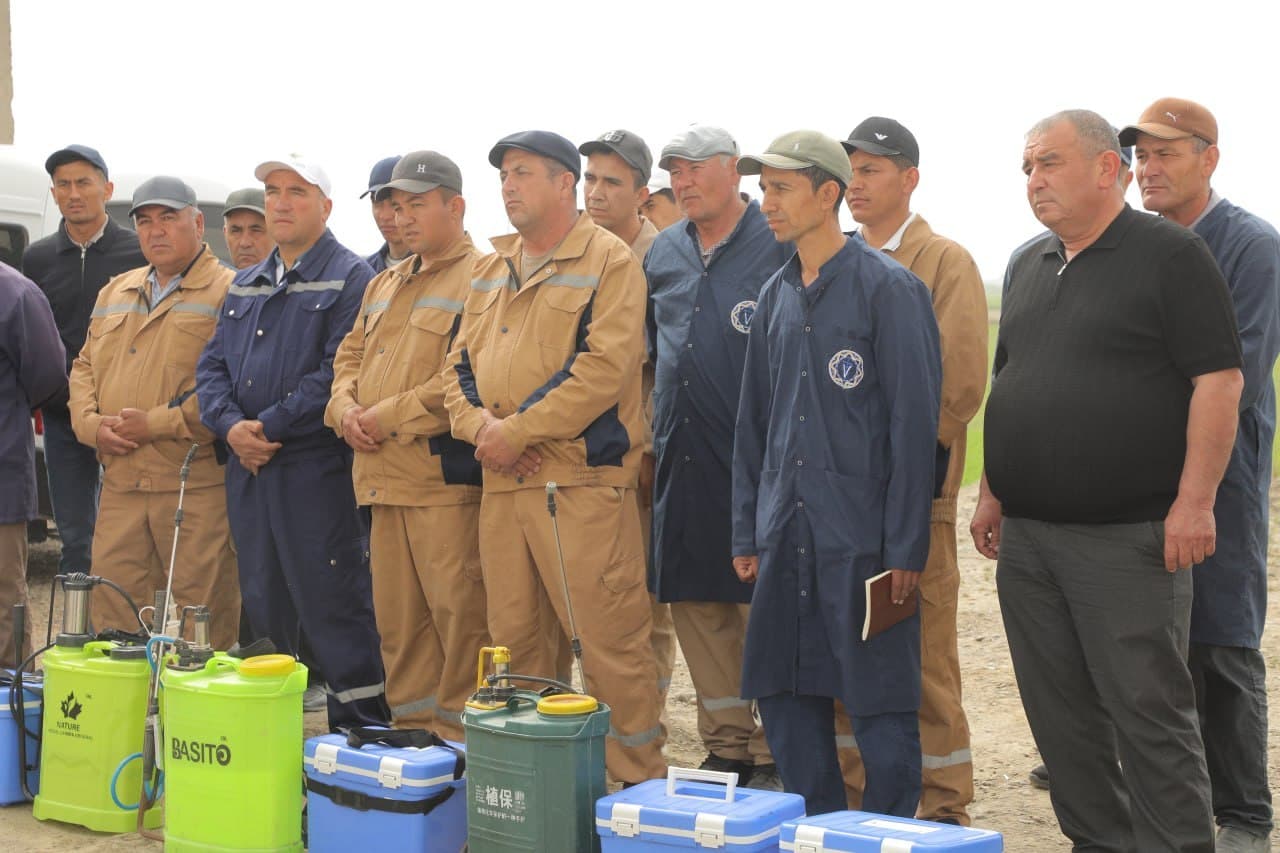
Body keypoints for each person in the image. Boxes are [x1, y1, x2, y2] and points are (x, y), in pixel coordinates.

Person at [970, 108, 1243, 852]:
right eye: (1026, 167)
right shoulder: (1030, 263)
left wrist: (1194, 503)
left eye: (1049, 163)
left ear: (1104, 168)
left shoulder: (1171, 255)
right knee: (1060, 721)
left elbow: (1218, 382)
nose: (1034, 180)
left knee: (1149, 716)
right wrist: (994, 490)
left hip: (1129, 541)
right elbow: (1011, 381)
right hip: (1029, 542)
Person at [441, 130, 665, 784]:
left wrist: (522, 431)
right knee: (514, 647)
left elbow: (603, 368)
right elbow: (455, 368)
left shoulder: (609, 261)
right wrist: (484, 428)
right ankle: (537, 794)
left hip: (579, 487)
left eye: (523, 173)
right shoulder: (490, 267)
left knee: (610, 645)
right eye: (504, 174)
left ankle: (633, 789)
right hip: (503, 485)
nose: (508, 185)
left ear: (565, 183)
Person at [732, 129, 941, 817]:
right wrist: (746, 530)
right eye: (763, 188)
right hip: (785, 535)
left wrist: (906, 547)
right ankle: (814, 826)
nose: (768, 202)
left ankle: (887, 830)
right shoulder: (774, 296)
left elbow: (916, 430)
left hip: (864, 545)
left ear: (829, 195)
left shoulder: (890, 290)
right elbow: (753, 427)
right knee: (786, 693)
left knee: (879, 700)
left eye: (782, 188)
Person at [1122, 97, 1280, 853]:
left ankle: (1245, 810)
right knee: (1145, 632)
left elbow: (1234, 367)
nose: (1148, 170)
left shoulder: (1249, 245)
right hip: (1139, 470)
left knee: (1220, 634)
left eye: (1166, 154)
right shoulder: (1132, 243)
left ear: (1209, 157)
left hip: (1223, 469)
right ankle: (1150, 782)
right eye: (1140, 157)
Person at [196, 157, 387, 729]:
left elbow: (336, 372)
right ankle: (273, 747)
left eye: (295, 192)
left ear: (325, 206)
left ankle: (362, 746)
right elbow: (210, 369)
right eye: (272, 191)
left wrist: (267, 427)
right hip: (249, 470)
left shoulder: (353, 278)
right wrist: (230, 427)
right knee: (264, 607)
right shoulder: (246, 282)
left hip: (313, 471)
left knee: (334, 609)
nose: (279, 202)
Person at [834, 116, 988, 825]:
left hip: (908, 507)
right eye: (851, 170)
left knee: (922, 661)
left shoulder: (942, 262)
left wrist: (873, 472)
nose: (856, 183)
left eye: (871, 170)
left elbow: (953, 392)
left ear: (909, 178)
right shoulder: (829, 261)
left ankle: (943, 806)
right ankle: (859, 804)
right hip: (837, 509)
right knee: (846, 662)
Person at [326, 151, 488, 742]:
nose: (402, 215)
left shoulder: (484, 276)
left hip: (441, 486)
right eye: (395, 204)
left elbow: (467, 377)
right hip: (380, 480)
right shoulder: (384, 282)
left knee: (460, 620)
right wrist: (344, 409)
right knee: (399, 626)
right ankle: (415, 734)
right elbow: (348, 357)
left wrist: (383, 416)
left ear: (456, 206)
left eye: (417, 203)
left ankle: (461, 743)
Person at [644, 125, 787, 788]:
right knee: (698, 606)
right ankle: (727, 743)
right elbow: (649, 351)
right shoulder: (665, 250)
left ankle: (775, 744)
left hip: (758, 461)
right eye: (675, 170)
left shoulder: (776, 242)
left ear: (734, 170)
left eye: (696, 168)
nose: (683, 181)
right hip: (684, 456)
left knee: (763, 606)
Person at [66, 177, 239, 645]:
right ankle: (127, 716)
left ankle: (193, 718)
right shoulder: (115, 291)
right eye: (145, 221)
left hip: (192, 484)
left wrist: (156, 424)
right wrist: (89, 425)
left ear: (197, 223)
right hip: (121, 483)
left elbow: (232, 388)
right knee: (113, 612)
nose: (155, 230)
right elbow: (82, 366)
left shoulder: (230, 292)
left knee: (200, 619)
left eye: (168, 218)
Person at [578, 128, 676, 718]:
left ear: (642, 192)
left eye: (612, 181)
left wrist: (653, 451)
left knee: (642, 595)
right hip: (576, 451)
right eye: (590, 178)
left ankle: (643, 717)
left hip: (641, 450)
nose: (596, 192)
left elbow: (670, 363)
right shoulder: (573, 251)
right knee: (587, 592)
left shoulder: (663, 257)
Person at [22, 145, 145, 576]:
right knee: (75, 536)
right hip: (63, 418)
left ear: (106, 189)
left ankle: (127, 634)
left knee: (131, 534)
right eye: (63, 184)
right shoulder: (36, 259)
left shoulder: (139, 254)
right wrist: (55, 398)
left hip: (127, 419)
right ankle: (82, 635)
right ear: (54, 193)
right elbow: (31, 341)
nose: (73, 193)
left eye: (83, 183)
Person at [0, 263, 66, 668]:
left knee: (4, 602)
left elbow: (48, 376)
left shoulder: (14, 294)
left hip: (1, 479)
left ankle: (9, 712)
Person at [361, 156, 409, 274]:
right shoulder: (363, 272)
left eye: (394, 204)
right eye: (377, 202)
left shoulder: (436, 268)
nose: (385, 216)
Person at [223, 188, 274, 270]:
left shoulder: (294, 280)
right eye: (236, 231)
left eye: (256, 231)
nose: (245, 243)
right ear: (225, 235)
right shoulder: (213, 281)